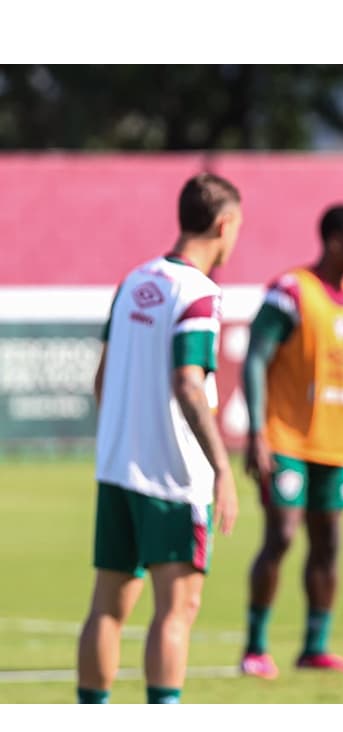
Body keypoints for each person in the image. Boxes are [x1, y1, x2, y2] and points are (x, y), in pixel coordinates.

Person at [76, 172, 243, 704]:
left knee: (106, 606)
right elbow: (190, 384)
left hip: (118, 471)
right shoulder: (199, 291)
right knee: (177, 610)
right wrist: (221, 470)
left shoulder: (133, 281)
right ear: (224, 223)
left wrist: (126, 439)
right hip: (174, 477)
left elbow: (102, 379)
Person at [239, 204, 343, 679]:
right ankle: (255, 647)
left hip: (335, 445)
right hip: (285, 438)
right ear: (336, 241)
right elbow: (255, 358)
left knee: (328, 545)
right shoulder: (290, 291)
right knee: (279, 535)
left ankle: (315, 647)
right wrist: (256, 431)